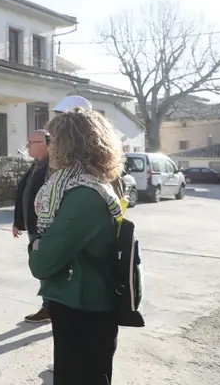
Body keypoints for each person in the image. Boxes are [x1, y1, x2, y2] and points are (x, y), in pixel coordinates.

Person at [28, 108, 125, 384]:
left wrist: (35, 243)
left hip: (82, 308)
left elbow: (42, 263)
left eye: (52, 139)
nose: (50, 145)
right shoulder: (90, 184)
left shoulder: (83, 195)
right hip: (83, 302)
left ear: (70, 144)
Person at [12, 129, 51, 323]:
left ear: (44, 144)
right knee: (40, 267)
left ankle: (50, 308)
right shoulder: (36, 165)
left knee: (45, 268)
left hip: (44, 228)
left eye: (30, 143)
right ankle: (49, 305)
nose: (27, 146)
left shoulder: (52, 168)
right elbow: (24, 193)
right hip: (33, 226)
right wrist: (18, 221)